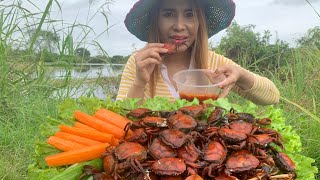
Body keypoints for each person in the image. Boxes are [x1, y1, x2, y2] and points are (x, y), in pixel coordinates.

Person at [116, 0, 280, 105]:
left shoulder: (215, 64)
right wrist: (139, 81)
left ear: (199, 23)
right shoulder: (140, 63)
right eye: (168, 14)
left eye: (189, 15)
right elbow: (122, 121)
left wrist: (242, 75)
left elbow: (272, 97)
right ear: (156, 22)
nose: (179, 25)